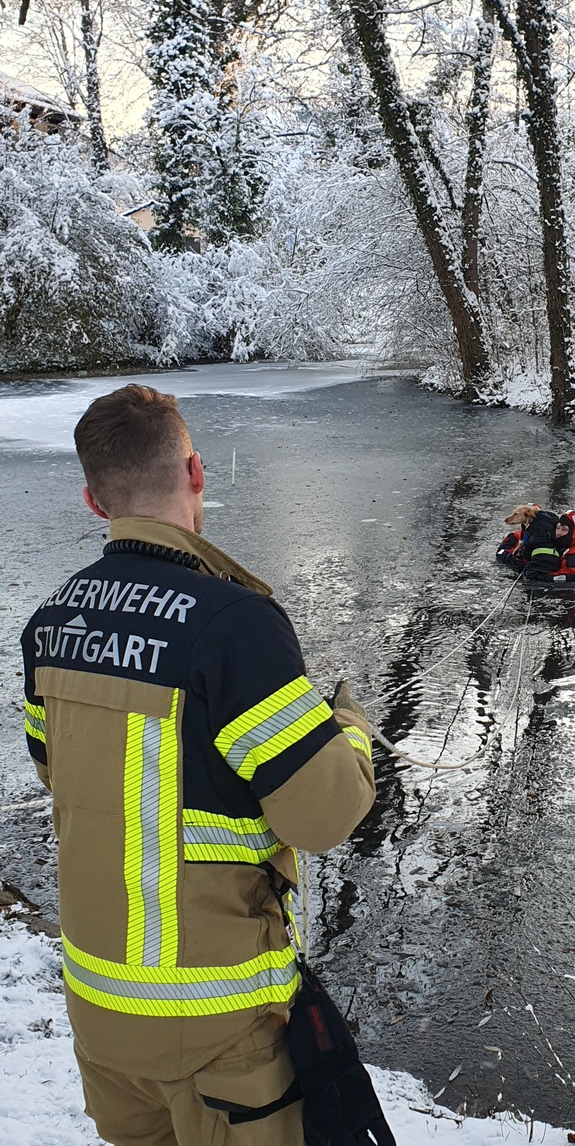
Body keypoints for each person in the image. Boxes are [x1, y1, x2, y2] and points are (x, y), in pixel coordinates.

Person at [20, 384, 377, 1146]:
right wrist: (349, 729)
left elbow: (70, 776)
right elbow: (322, 816)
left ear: (92, 500)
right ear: (197, 471)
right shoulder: (233, 625)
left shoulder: (49, 625)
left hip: (99, 1007)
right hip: (215, 1027)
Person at [496, 506, 575, 582]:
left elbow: (571, 576)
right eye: (558, 527)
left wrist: (542, 577)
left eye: (564, 530)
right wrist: (515, 559)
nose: (559, 532)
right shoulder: (542, 536)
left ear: (573, 533)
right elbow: (504, 550)